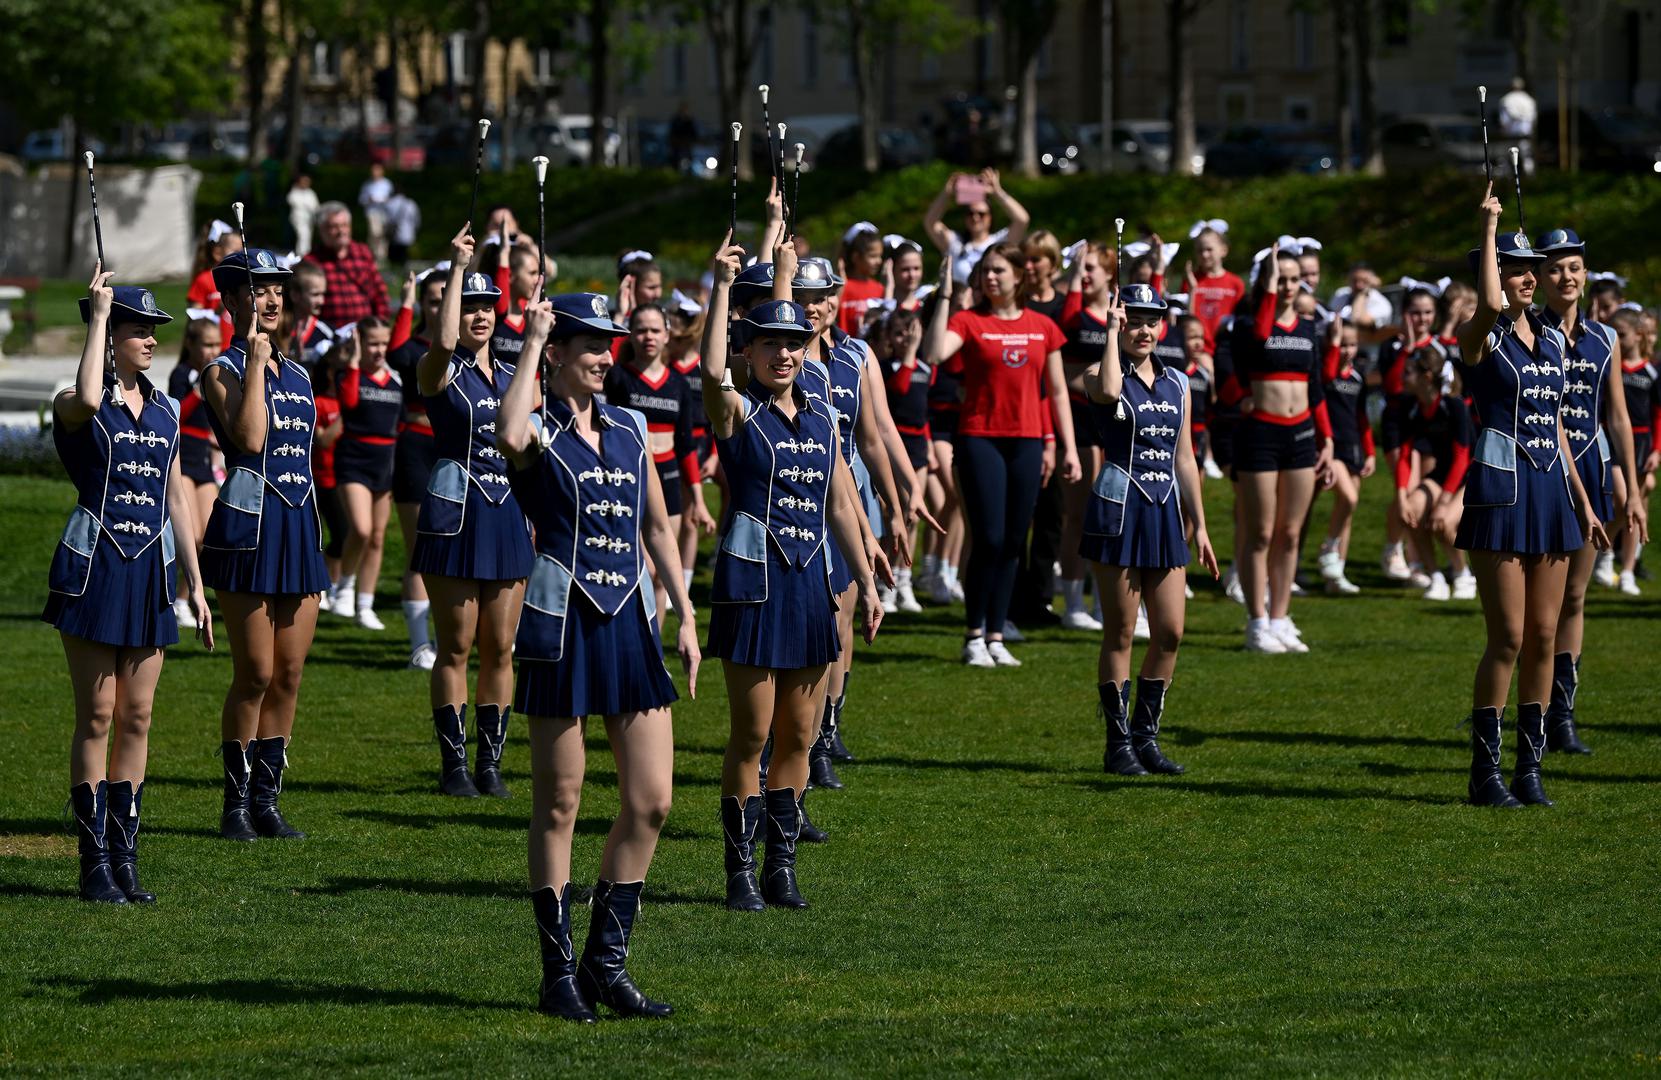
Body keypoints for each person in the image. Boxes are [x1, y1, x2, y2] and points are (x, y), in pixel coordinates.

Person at [497, 293, 698, 1022]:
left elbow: (657, 524)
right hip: (561, 626)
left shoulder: (630, 426)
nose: (602, 353)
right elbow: (506, 427)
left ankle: (605, 966)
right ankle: (557, 976)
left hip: (631, 624)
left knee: (652, 800)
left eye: (606, 342)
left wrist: (684, 609)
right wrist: (533, 342)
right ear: (557, 352)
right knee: (559, 802)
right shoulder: (537, 430)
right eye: (586, 342)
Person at [700, 238, 882, 912]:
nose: (782, 352)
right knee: (751, 733)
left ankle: (780, 867)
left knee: (799, 735)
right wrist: (722, 288)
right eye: (768, 343)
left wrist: (868, 583)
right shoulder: (738, 412)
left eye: (793, 342)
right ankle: (739, 869)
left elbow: (841, 503)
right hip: (751, 588)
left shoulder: (819, 419)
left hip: (809, 586)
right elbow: (710, 374)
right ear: (750, 351)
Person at [46, 272, 213, 902]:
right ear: (110, 335)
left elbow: (175, 494)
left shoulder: (168, 408)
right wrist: (98, 315)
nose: (149, 339)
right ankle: (92, 865)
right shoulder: (74, 400)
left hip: (150, 573)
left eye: (152, 331)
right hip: (93, 570)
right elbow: (89, 399)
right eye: (137, 329)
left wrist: (195, 584)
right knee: (98, 714)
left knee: (137, 716)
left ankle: (124, 856)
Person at [1452, 188, 1606, 808]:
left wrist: (1586, 501)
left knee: (1546, 634)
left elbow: (1561, 428)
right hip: (1500, 492)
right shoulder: (1480, 335)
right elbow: (1489, 302)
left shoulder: (1550, 338)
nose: (1523, 279)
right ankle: (1484, 773)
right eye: (1514, 270)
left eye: (1528, 269)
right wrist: (1489, 227)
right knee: (1509, 637)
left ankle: (1529, 767)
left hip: (1553, 493)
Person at [198, 247, 330, 841]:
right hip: (247, 533)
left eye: (278, 289)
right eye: (258, 290)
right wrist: (254, 362)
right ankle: (234, 803)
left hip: (298, 529)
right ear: (230, 301)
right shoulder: (220, 371)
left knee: (289, 674)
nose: (273, 299)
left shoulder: (300, 373)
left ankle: (266, 801)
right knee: (254, 671)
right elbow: (249, 438)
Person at [413, 228, 534, 800]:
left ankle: (491, 762)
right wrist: (458, 271)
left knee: (501, 646)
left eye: (488, 306)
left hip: (506, 513)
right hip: (454, 514)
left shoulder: (512, 377)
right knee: (456, 644)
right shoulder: (438, 368)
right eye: (468, 307)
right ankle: (453, 763)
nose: (479, 316)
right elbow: (438, 345)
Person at [1081, 284, 1218, 776]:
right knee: (1120, 631)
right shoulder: (1098, 372)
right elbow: (1111, 392)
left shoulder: (1179, 383)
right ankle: (1118, 746)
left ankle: (1146, 738)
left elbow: (1185, 457)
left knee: (1172, 632)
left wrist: (1199, 524)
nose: (1144, 330)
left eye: (1152, 321)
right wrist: (1110, 334)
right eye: (1134, 320)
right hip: (1117, 510)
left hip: (1163, 513)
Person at [923, 243, 1080, 667]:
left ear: (1018, 276)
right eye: (984, 271)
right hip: (980, 438)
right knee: (989, 538)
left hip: (1027, 440)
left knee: (1013, 541)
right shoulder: (968, 320)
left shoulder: (1043, 326)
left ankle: (996, 633)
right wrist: (943, 296)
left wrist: (1062, 445)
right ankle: (973, 634)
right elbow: (934, 353)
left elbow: (1057, 390)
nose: (990, 277)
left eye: (998, 270)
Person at [1534, 227, 1646, 755]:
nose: (1566, 276)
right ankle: (1531, 713)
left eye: (1574, 267)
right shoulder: (1530, 330)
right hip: (1543, 475)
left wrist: (1635, 489)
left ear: (1586, 273)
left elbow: (1618, 417)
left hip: (1594, 473)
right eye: (1556, 268)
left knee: (1576, 595)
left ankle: (1562, 716)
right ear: (1540, 276)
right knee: (1540, 607)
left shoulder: (1607, 338)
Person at [1224, 243, 1334, 653]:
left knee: (1290, 533)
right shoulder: (1252, 321)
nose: (1288, 286)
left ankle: (1280, 616)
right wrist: (1268, 283)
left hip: (1301, 435)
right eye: (1279, 279)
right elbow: (1262, 333)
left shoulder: (1308, 327)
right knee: (1261, 533)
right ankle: (1256, 621)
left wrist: (1328, 439)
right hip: (1260, 436)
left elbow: (1316, 387)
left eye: (1293, 279)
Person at [605, 302, 716, 616]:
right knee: (638, 569)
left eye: (655, 330)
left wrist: (698, 499)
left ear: (668, 335)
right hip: (629, 479)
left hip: (668, 483)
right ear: (630, 334)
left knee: (661, 574)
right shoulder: (616, 378)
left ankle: (654, 656)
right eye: (640, 330)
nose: (648, 337)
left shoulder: (678, 384)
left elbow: (685, 448)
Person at [328, 319, 403, 630]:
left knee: (377, 537)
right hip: (354, 460)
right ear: (360, 343)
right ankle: (344, 585)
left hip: (384, 462)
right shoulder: (349, 375)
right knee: (360, 529)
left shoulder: (396, 380)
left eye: (384, 343)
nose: (379, 349)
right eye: (373, 343)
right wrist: (355, 361)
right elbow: (348, 403)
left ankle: (365, 604)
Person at [389, 268, 446, 669]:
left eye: (447, 299)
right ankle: (419, 645)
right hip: (414, 448)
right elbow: (394, 350)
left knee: (450, 549)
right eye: (433, 300)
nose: (440, 306)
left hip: (452, 449)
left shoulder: (467, 347)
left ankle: (448, 639)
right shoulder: (413, 348)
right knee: (417, 550)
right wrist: (406, 299)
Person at [1393, 346, 1476, 601]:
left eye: (1408, 373)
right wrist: (1401, 496)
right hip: (1444, 474)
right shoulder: (1412, 407)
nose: (1402, 378)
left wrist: (1444, 501)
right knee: (1412, 513)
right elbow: (1405, 455)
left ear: (1426, 376)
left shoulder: (1453, 405)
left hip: (1473, 475)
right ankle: (1436, 577)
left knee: (1444, 523)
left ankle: (1463, 574)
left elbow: (1463, 456)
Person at [169, 316, 224, 627]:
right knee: (189, 534)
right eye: (206, 344)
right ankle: (177, 599)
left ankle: (184, 596)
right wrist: (196, 392)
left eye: (216, 344)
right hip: (183, 462)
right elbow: (175, 414)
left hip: (203, 462)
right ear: (190, 344)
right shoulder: (183, 375)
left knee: (207, 536)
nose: (212, 350)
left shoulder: (212, 375)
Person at [1314, 318, 1375, 594]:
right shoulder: (1325, 372)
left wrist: (1371, 453)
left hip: (1353, 449)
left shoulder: (1359, 377)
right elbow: (1327, 376)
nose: (1347, 350)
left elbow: (1362, 420)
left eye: (1352, 344)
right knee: (1348, 498)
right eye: (1343, 344)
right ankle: (1327, 550)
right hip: (1330, 448)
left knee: (1348, 510)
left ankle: (1336, 573)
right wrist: (1333, 343)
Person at [1612, 309, 1660, 594]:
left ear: (1638, 336)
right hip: (1614, 439)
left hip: (1642, 442)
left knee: (1636, 506)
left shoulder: (1651, 371)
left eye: (1622, 334)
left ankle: (1628, 569)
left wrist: (1657, 450)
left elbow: (1658, 415)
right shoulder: (1612, 367)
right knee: (1622, 499)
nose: (1617, 339)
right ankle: (1604, 554)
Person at [922, 169, 1031, 289]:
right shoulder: (955, 242)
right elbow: (930, 222)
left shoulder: (999, 242)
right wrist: (947, 193)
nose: (975, 217)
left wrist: (997, 192)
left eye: (981, 214)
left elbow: (1022, 220)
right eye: (970, 213)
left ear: (990, 218)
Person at [305, 202, 390, 327]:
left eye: (344, 225)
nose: (341, 231)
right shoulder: (312, 262)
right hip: (330, 337)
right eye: (334, 226)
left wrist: (381, 324)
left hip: (365, 334)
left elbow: (380, 294)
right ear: (322, 230)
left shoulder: (363, 253)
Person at [1182, 222, 1244, 349]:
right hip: (1198, 349)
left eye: (1209, 249)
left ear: (1223, 250)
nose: (1204, 255)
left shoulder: (1235, 283)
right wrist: (1192, 290)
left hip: (1227, 348)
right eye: (1200, 251)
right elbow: (1187, 320)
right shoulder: (1190, 280)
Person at [837, 222, 886, 336]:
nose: (879, 261)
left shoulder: (879, 288)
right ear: (856, 257)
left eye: (880, 256)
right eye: (873, 256)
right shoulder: (843, 286)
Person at [284, 261, 335, 368]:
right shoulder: (278, 330)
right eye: (315, 294)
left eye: (323, 294)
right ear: (295, 295)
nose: (321, 301)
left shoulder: (327, 333)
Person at [1499, 76, 1537, 176]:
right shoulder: (1529, 100)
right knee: (1526, 155)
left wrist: (1504, 129)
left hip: (1511, 132)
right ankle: (1529, 174)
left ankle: (1507, 175)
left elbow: (1504, 119)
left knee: (1508, 154)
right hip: (1525, 132)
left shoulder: (1506, 99)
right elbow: (1533, 117)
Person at [358, 162, 393, 259]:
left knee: (383, 235)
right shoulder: (367, 184)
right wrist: (369, 200)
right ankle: (373, 254)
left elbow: (391, 199)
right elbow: (361, 199)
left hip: (384, 213)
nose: (375, 172)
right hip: (372, 213)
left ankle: (382, 256)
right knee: (374, 233)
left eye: (377, 170)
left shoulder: (387, 184)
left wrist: (384, 200)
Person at [383, 182, 421, 266]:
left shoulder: (389, 204)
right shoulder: (411, 203)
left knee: (393, 260)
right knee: (405, 258)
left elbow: (386, 221)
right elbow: (416, 220)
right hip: (408, 236)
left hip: (394, 236)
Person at [287, 173, 320, 256]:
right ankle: (301, 254)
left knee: (308, 236)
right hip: (299, 218)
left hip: (309, 219)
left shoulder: (311, 193)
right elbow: (292, 201)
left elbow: (315, 206)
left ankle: (307, 253)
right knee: (303, 235)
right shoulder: (294, 191)